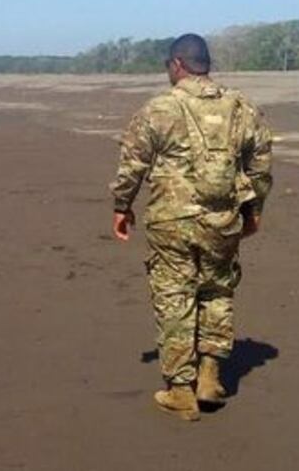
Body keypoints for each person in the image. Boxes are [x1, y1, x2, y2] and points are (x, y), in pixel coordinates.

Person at [110, 33, 273, 421]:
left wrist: (122, 206)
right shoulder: (242, 107)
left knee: (174, 295)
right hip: (223, 219)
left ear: (177, 65)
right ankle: (211, 376)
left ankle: (180, 388)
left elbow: (132, 165)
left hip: (171, 220)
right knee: (217, 290)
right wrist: (255, 210)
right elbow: (261, 165)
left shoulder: (158, 109)